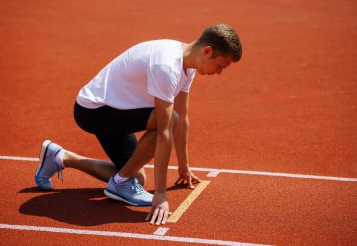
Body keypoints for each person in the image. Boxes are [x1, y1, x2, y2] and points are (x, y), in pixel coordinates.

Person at [35, 24, 242, 226]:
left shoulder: (188, 67)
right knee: (169, 122)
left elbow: (184, 116)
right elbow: (165, 131)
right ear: (207, 51)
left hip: (114, 109)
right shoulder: (167, 66)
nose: (219, 73)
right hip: (94, 111)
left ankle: (60, 157)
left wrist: (183, 166)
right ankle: (119, 183)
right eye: (220, 66)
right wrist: (160, 195)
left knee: (137, 176)